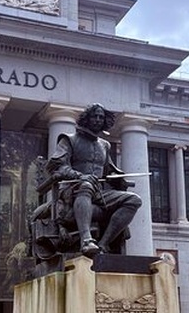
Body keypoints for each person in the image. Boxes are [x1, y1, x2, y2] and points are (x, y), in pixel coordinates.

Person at [46, 104, 142, 256]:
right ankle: (86, 241)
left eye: (101, 117)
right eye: (94, 116)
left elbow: (108, 171)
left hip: (99, 193)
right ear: (87, 118)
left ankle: (103, 244)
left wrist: (119, 179)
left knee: (134, 200)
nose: (98, 120)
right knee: (86, 185)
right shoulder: (69, 140)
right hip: (72, 190)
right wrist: (79, 176)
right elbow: (56, 167)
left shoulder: (105, 145)